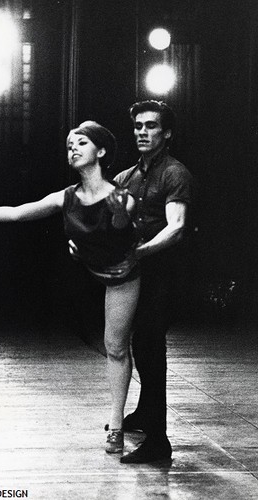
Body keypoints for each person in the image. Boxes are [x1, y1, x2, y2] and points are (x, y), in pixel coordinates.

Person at [0, 121, 140, 454]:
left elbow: (120, 231)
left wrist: (119, 215)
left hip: (121, 275)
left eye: (81, 142)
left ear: (100, 151)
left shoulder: (119, 197)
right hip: (86, 275)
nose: (72, 148)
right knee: (94, 341)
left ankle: (116, 426)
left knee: (116, 348)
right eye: (69, 143)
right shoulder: (66, 197)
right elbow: (16, 214)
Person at [113, 100, 193, 464]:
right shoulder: (127, 177)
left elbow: (175, 229)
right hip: (135, 274)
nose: (142, 132)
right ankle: (145, 414)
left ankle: (159, 441)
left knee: (150, 348)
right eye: (138, 126)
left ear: (167, 133)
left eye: (151, 126)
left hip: (164, 274)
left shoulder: (175, 173)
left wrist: (140, 253)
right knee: (138, 345)